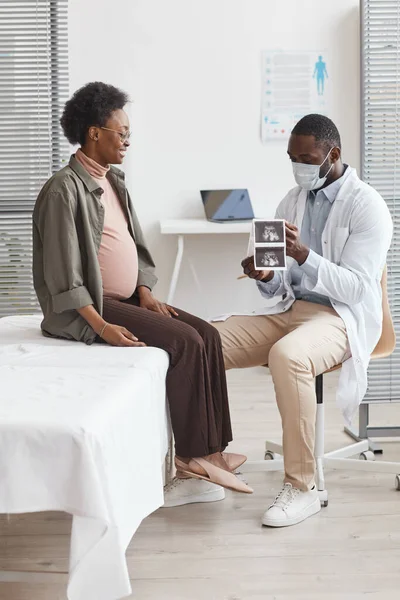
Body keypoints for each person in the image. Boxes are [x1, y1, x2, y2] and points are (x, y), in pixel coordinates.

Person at [32, 82, 253, 508]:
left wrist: (145, 291)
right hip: (91, 307)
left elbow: (134, 246)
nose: (128, 141)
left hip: (127, 297)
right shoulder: (63, 190)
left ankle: (214, 450)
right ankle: (190, 459)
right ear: (94, 133)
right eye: (122, 132)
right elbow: (64, 275)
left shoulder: (113, 181)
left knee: (206, 333)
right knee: (185, 343)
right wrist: (102, 326)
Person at [214, 114, 392, 527]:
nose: (299, 168)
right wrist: (265, 274)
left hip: (339, 317)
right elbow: (280, 285)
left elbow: (358, 290)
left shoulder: (368, 207)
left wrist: (304, 256)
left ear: (334, 154)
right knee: (201, 341)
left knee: (289, 355)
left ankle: (302, 487)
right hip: (291, 310)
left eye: (307, 158)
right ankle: (203, 463)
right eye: (293, 158)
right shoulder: (290, 201)